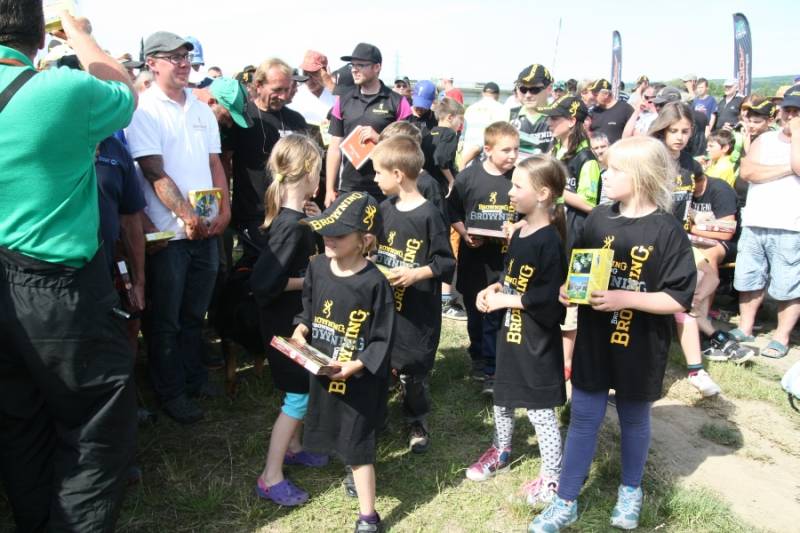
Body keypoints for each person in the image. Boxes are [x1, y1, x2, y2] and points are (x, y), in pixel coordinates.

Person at [0, 3, 138, 530]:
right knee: (95, 422)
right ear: (40, 34)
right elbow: (125, 90)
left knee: (20, 419)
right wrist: (79, 34)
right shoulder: (60, 90)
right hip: (58, 288)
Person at [529, 137, 697, 532]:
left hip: (640, 346)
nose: (606, 176)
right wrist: (568, 289)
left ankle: (630, 490)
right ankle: (566, 500)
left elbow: (678, 298)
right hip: (594, 341)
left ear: (640, 177)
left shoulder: (667, 230)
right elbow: (580, 270)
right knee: (584, 417)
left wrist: (626, 298)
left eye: (615, 170)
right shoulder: (598, 220)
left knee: (634, 419)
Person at [126, 31, 230, 423]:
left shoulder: (201, 109)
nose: (184, 63)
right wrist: (187, 216)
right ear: (152, 63)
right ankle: (171, 392)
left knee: (194, 314)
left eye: (186, 56)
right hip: (168, 235)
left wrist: (224, 210)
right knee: (166, 320)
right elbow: (153, 170)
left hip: (205, 231)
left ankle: (194, 378)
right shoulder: (144, 109)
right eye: (174, 57)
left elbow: (215, 163)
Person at [466, 155, 567, 508]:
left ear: (542, 193)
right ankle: (501, 450)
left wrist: (506, 301)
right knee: (503, 395)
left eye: (517, 186)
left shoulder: (549, 241)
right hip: (510, 333)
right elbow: (512, 276)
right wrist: (493, 288)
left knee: (539, 410)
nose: (509, 192)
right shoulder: (520, 230)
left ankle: (552, 477)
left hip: (536, 342)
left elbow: (549, 299)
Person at [292, 191, 395, 533]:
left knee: (358, 443)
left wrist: (356, 365)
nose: (328, 238)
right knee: (332, 427)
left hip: (360, 380)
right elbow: (308, 307)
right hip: (324, 372)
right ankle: (348, 467)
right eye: (325, 230)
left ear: (365, 240)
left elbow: (383, 338)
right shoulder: (317, 267)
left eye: (338, 233)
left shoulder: (375, 283)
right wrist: (301, 329)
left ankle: (368, 517)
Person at [251, 135, 328, 506]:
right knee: (299, 396)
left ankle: (295, 447)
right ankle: (271, 476)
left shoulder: (299, 221)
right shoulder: (291, 226)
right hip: (285, 327)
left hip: (293, 323)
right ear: (310, 173)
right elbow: (265, 283)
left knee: (301, 389)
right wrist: (313, 276)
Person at [372, 135, 456, 453]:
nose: (374, 179)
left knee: (413, 371)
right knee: (380, 363)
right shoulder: (383, 209)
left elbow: (446, 262)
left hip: (417, 311)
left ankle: (416, 419)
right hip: (386, 309)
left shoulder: (429, 215)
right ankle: (375, 417)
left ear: (397, 174)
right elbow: (376, 250)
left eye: (378, 172)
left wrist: (416, 274)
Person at [649, 102, 722, 397]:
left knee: (690, 298)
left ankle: (696, 370)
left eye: (685, 131)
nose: (679, 137)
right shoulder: (651, 159)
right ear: (662, 130)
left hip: (679, 243)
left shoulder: (691, 164)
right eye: (673, 130)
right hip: (651, 241)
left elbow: (696, 189)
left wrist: (697, 218)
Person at [448, 122, 520, 393]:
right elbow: (452, 211)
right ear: (487, 149)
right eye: (506, 150)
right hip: (474, 257)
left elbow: (531, 213)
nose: (512, 155)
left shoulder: (520, 177)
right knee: (475, 308)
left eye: (516, 149)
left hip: (504, 259)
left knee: (498, 310)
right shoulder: (468, 177)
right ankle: (478, 353)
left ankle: (494, 364)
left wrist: (515, 228)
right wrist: (464, 234)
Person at [731, 86, 800, 359]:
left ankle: (781, 336)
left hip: (791, 225)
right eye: (788, 110)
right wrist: (786, 169)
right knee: (749, 278)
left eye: (797, 112)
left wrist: (797, 135)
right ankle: (745, 327)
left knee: (787, 285)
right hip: (756, 220)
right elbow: (748, 172)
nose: (791, 116)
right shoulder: (765, 140)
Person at [540, 95, 601, 378]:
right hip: (554, 230)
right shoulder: (554, 148)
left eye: (555, 118)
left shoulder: (587, 159)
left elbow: (590, 203)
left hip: (578, 238)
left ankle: (566, 361)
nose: (549, 123)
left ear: (571, 120)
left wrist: (556, 190)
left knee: (573, 299)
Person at [230, 57, 308, 254]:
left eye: (287, 89)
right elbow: (223, 163)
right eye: (277, 90)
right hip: (253, 213)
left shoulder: (296, 120)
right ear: (258, 85)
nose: (283, 96)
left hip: (290, 212)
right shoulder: (243, 119)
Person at [324, 43, 412, 206]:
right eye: (352, 65)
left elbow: (408, 148)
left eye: (360, 65)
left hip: (386, 190)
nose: (354, 70)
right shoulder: (343, 100)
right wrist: (329, 189)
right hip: (349, 188)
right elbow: (334, 147)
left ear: (377, 67)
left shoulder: (398, 102)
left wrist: (379, 139)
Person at [461, 81, 510, 168]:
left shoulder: (470, 108)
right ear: (498, 95)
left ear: (483, 93)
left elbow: (463, 133)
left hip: (467, 157)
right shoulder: (503, 110)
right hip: (487, 159)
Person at [509, 63, 554, 157]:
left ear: (549, 89)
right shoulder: (508, 115)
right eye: (523, 89)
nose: (528, 95)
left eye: (534, 89)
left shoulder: (560, 117)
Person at [422, 96, 464, 194]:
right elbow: (440, 158)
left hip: (427, 181)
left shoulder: (429, 133)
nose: (461, 123)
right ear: (450, 117)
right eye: (460, 119)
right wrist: (451, 180)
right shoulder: (450, 134)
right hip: (441, 184)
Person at [588, 78, 634, 144]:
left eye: (595, 94)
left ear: (606, 94)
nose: (592, 97)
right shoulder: (593, 111)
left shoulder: (625, 109)